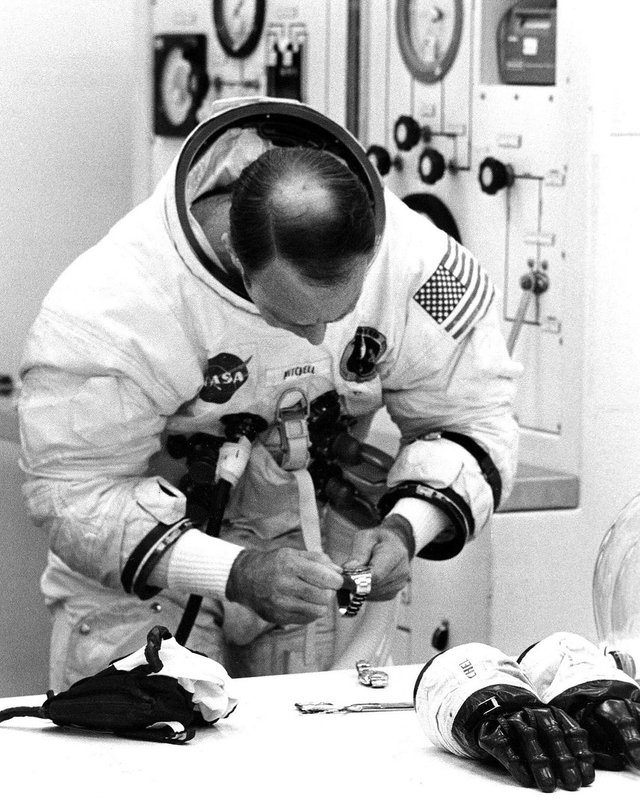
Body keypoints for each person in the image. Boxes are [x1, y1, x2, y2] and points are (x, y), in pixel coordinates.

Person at [18, 98, 521, 691]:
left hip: (313, 559)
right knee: (154, 746)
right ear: (235, 254)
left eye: (338, 314)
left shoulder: (416, 266)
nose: (318, 337)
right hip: (149, 581)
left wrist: (407, 528)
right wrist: (234, 571)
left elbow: (474, 416)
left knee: (322, 743)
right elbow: (74, 490)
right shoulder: (118, 304)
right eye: (292, 317)